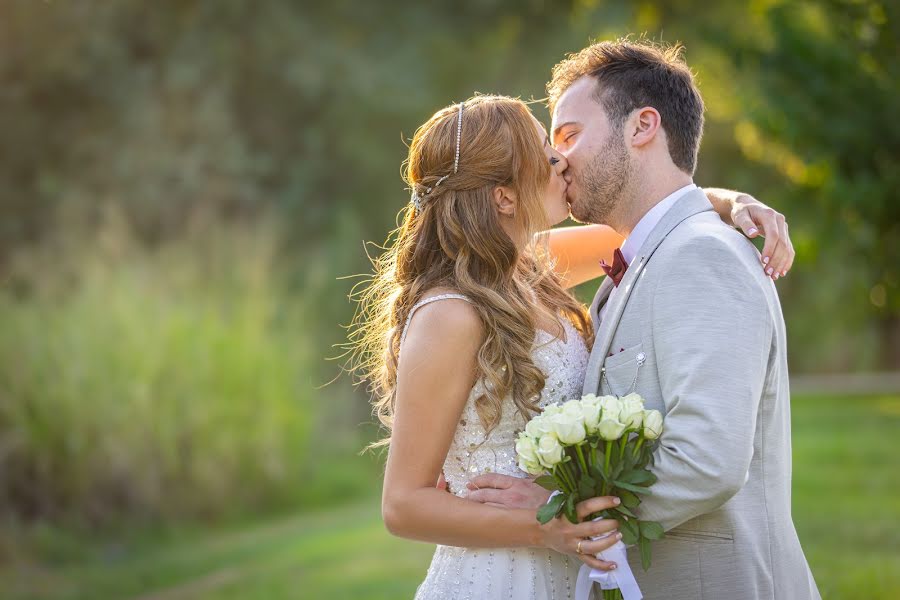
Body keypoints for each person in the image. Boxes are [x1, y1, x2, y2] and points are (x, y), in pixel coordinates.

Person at [349, 92, 794, 598]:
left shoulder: (525, 270)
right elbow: (402, 505)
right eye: (543, 150)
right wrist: (546, 524)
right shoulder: (449, 312)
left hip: (569, 570)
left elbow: (658, 218)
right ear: (504, 197)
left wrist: (731, 202)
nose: (560, 160)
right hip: (500, 577)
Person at [464, 39, 820, 600]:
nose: (556, 161)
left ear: (642, 126)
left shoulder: (702, 257)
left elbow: (708, 460)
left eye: (570, 135)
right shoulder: (643, 258)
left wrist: (563, 509)